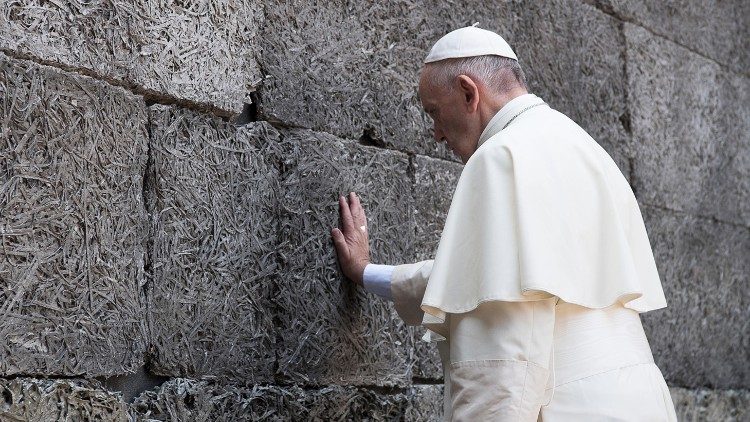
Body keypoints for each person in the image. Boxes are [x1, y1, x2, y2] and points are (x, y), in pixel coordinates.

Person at [331, 26, 677, 421]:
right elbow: (485, 279)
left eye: (435, 113)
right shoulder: (585, 148)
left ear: (467, 92)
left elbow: (502, 354)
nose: (436, 134)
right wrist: (366, 272)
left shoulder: (500, 157)